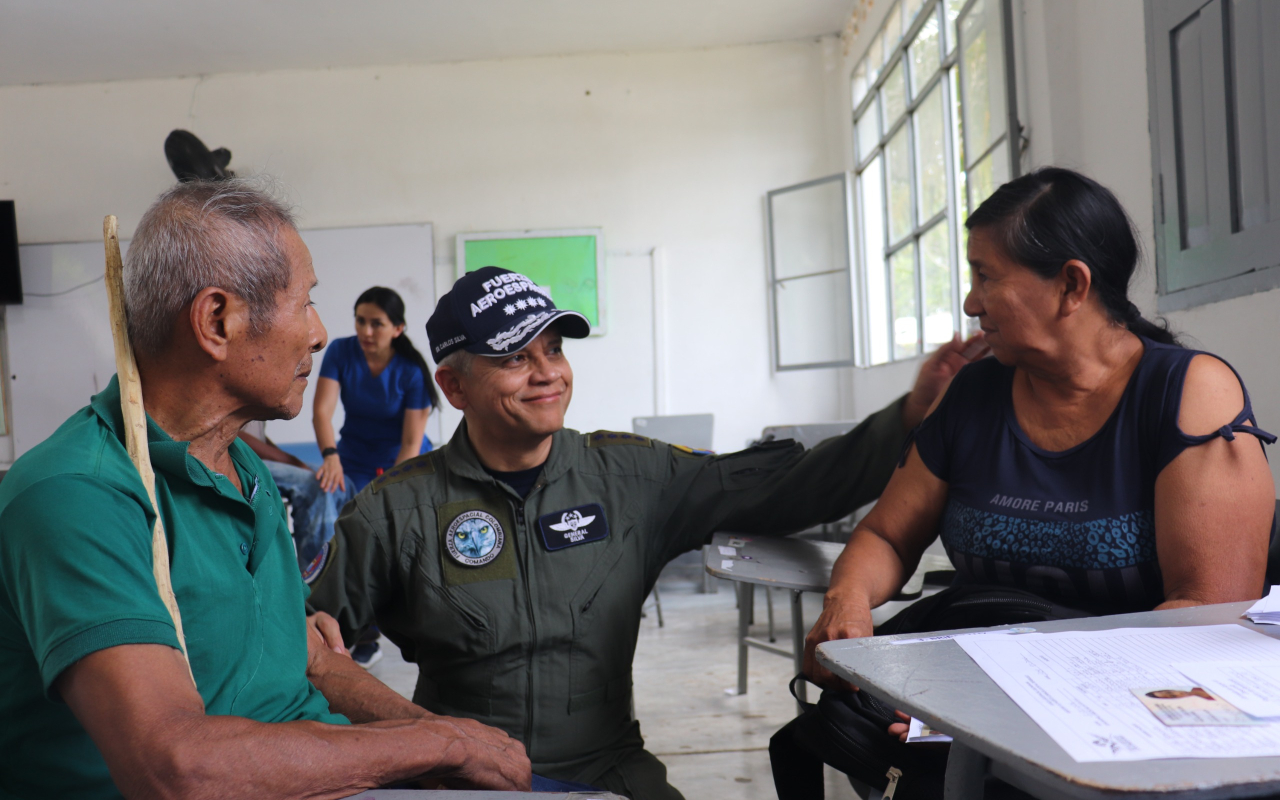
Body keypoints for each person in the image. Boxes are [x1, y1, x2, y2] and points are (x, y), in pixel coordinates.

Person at [306, 265, 988, 799]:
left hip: (610, 770)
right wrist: (409, 744)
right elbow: (307, 649)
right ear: (454, 386)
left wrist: (909, 415)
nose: (548, 372)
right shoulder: (398, 509)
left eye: (554, 348)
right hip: (458, 780)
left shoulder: (628, 476)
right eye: (516, 358)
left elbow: (791, 489)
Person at [0, 181, 531, 798]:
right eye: (304, 302)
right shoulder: (79, 496)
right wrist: (440, 745)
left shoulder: (242, 470)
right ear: (217, 320)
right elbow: (175, 769)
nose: (319, 332)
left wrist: (449, 742)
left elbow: (311, 659)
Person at [789, 168, 1274, 797]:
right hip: (979, 690)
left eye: (986, 276)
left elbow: (1203, 620)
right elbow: (886, 533)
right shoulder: (974, 394)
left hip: (1122, 724)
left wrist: (988, 710)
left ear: (1071, 285)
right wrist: (848, 604)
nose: (970, 302)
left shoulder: (1188, 393)